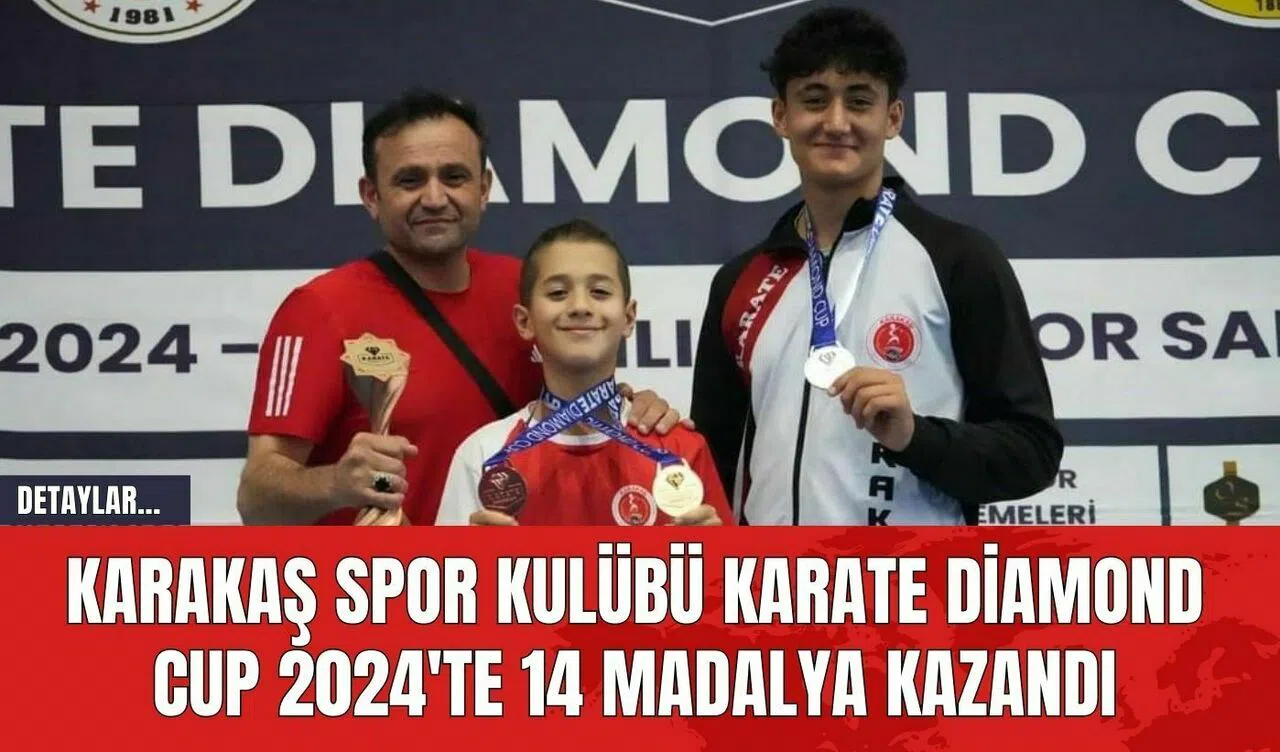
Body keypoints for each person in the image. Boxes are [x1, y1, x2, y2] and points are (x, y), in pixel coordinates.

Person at [236, 90, 683, 526]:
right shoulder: (317, 310)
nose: (434, 198)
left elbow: (577, 396)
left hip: (520, 573)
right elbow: (255, 499)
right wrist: (336, 483)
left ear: (483, 188)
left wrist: (634, 410)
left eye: (454, 177)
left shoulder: (527, 289)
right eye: (410, 180)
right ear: (371, 195)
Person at [690, 6, 1062, 526]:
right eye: (814, 99)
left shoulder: (958, 259)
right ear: (781, 116)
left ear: (893, 118)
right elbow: (712, 459)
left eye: (859, 101)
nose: (836, 122)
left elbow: (1032, 452)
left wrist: (915, 436)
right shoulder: (740, 281)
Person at [436, 219, 731, 527]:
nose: (580, 306)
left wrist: (709, 555)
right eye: (558, 293)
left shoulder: (680, 450)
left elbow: (731, 560)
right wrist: (474, 557)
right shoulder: (483, 455)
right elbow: (441, 561)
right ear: (525, 321)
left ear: (628, 318)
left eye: (600, 291)